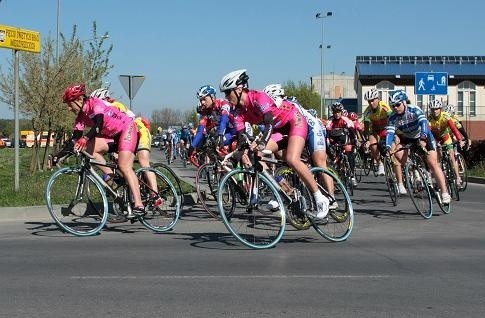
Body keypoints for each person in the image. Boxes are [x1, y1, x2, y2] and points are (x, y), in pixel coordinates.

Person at [220, 69, 329, 219]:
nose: (226, 97)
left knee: (292, 159)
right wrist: (232, 158)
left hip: (294, 121)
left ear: (239, 89)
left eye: (227, 92)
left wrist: (263, 142)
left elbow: (269, 122)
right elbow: (242, 138)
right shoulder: (237, 112)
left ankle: (320, 199)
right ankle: (283, 188)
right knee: (255, 155)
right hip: (279, 129)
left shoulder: (258, 97)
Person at [58, 84, 145, 215]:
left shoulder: (95, 104)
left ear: (79, 100)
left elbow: (98, 125)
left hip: (127, 129)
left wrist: (85, 138)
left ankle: (139, 204)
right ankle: (112, 177)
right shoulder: (80, 118)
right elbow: (74, 140)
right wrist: (58, 156)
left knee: (124, 166)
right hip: (113, 136)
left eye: (70, 104)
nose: (69, 109)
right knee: (88, 149)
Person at [264, 84, 336, 208]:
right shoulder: (271, 109)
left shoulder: (289, 103)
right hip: (292, 132)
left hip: (312, 129)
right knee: (281, 157)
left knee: (320, 162)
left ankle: (332, 198)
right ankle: (285, 190)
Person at [90, 88, 160, 204]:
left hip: (140, 130)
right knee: (123, 164)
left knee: (143, 160)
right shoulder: (102, 114)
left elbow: (126, 124)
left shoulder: (116, 105)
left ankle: (155, 194)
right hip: (126, 137)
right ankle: (133, 191)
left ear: (106, 99)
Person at [385, 90, 451, 204]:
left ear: (404, 102)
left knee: (433, 163)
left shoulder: (414, 109)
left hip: (423, 135)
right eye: (392, 106)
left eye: (397, 104)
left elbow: (424, 123)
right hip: (408, 137)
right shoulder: (392, 117)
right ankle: (412, 168)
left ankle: (445, 192)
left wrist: (423, 138)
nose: (395, 108)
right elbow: (390, 133)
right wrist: (387, 146)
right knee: (397, 153)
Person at [188, 85, 236, 165]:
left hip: (234, 131)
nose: (202, 102)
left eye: (204, 99)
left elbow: (224, 119)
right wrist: (192, 147)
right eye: (201, 100)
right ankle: (223, 169)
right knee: (209, 147)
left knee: (216, 143)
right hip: (224, 132)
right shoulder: (205, 111)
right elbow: (200, 131)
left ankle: (232, 166)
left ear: (212, 97)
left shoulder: (222, 103)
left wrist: (220, 134)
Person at [427, 100, 464, 187]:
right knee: (438, 158)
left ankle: (458, 177)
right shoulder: (429, 119)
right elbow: (428, 132)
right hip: (436, 139)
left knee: (451, 156)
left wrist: (460, 139)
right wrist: (435, 143)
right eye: (432, 109)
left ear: (440, 109)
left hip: (445, 137)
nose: (434, 111)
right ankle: (442, 178)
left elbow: (454, 128)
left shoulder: (446, 116)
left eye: (436, 109)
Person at [326, 101, 359, 187]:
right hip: (335, 142)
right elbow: (327, 133)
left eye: (338, 112)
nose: (337, 114)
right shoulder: (330, 120)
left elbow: (352, 131)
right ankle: (337, 173)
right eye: (335, 112)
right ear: (332, 112)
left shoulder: (345, 120)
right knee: (333, 158)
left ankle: (352, 176)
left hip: (345, 141)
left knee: (349, 154)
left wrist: (355, 140)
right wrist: (328, 145)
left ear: (341, 112)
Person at [362, 88, 393, 176]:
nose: (371, 103)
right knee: (372, 143)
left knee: (390, 148)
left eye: (373, 101)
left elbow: (392, 119)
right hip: (375, 131)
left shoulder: (384, 106)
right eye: (369, 101)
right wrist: (367, 140)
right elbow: (367, 129)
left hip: (386, 129)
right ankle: (380, 164)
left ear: (378, 99)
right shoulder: (367, 112)